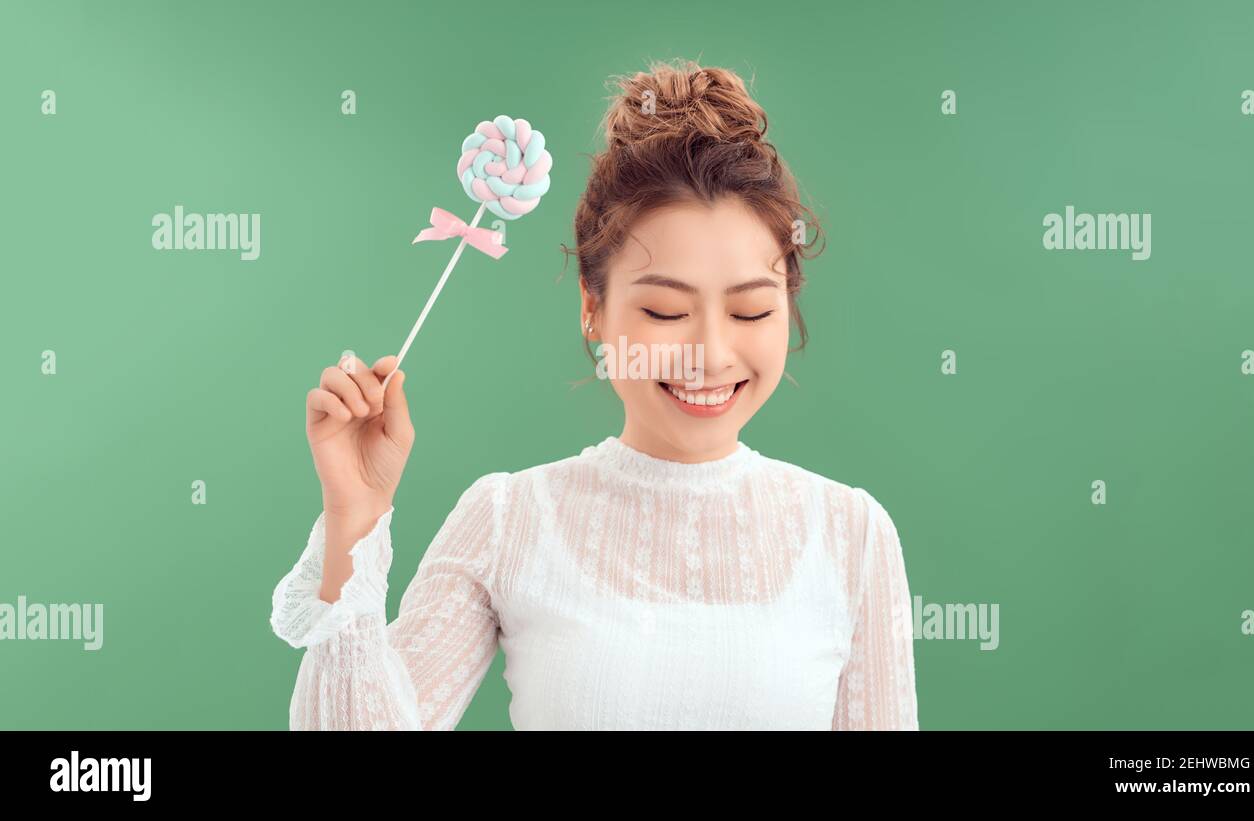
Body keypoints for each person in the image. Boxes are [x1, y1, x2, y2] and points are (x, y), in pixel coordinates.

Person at [270, 58, 919, 730]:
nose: (712, 354)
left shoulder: (851, 534)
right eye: (666, 312)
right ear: (593, 309)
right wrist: (356, 515)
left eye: (751, 312)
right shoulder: (511, 518)